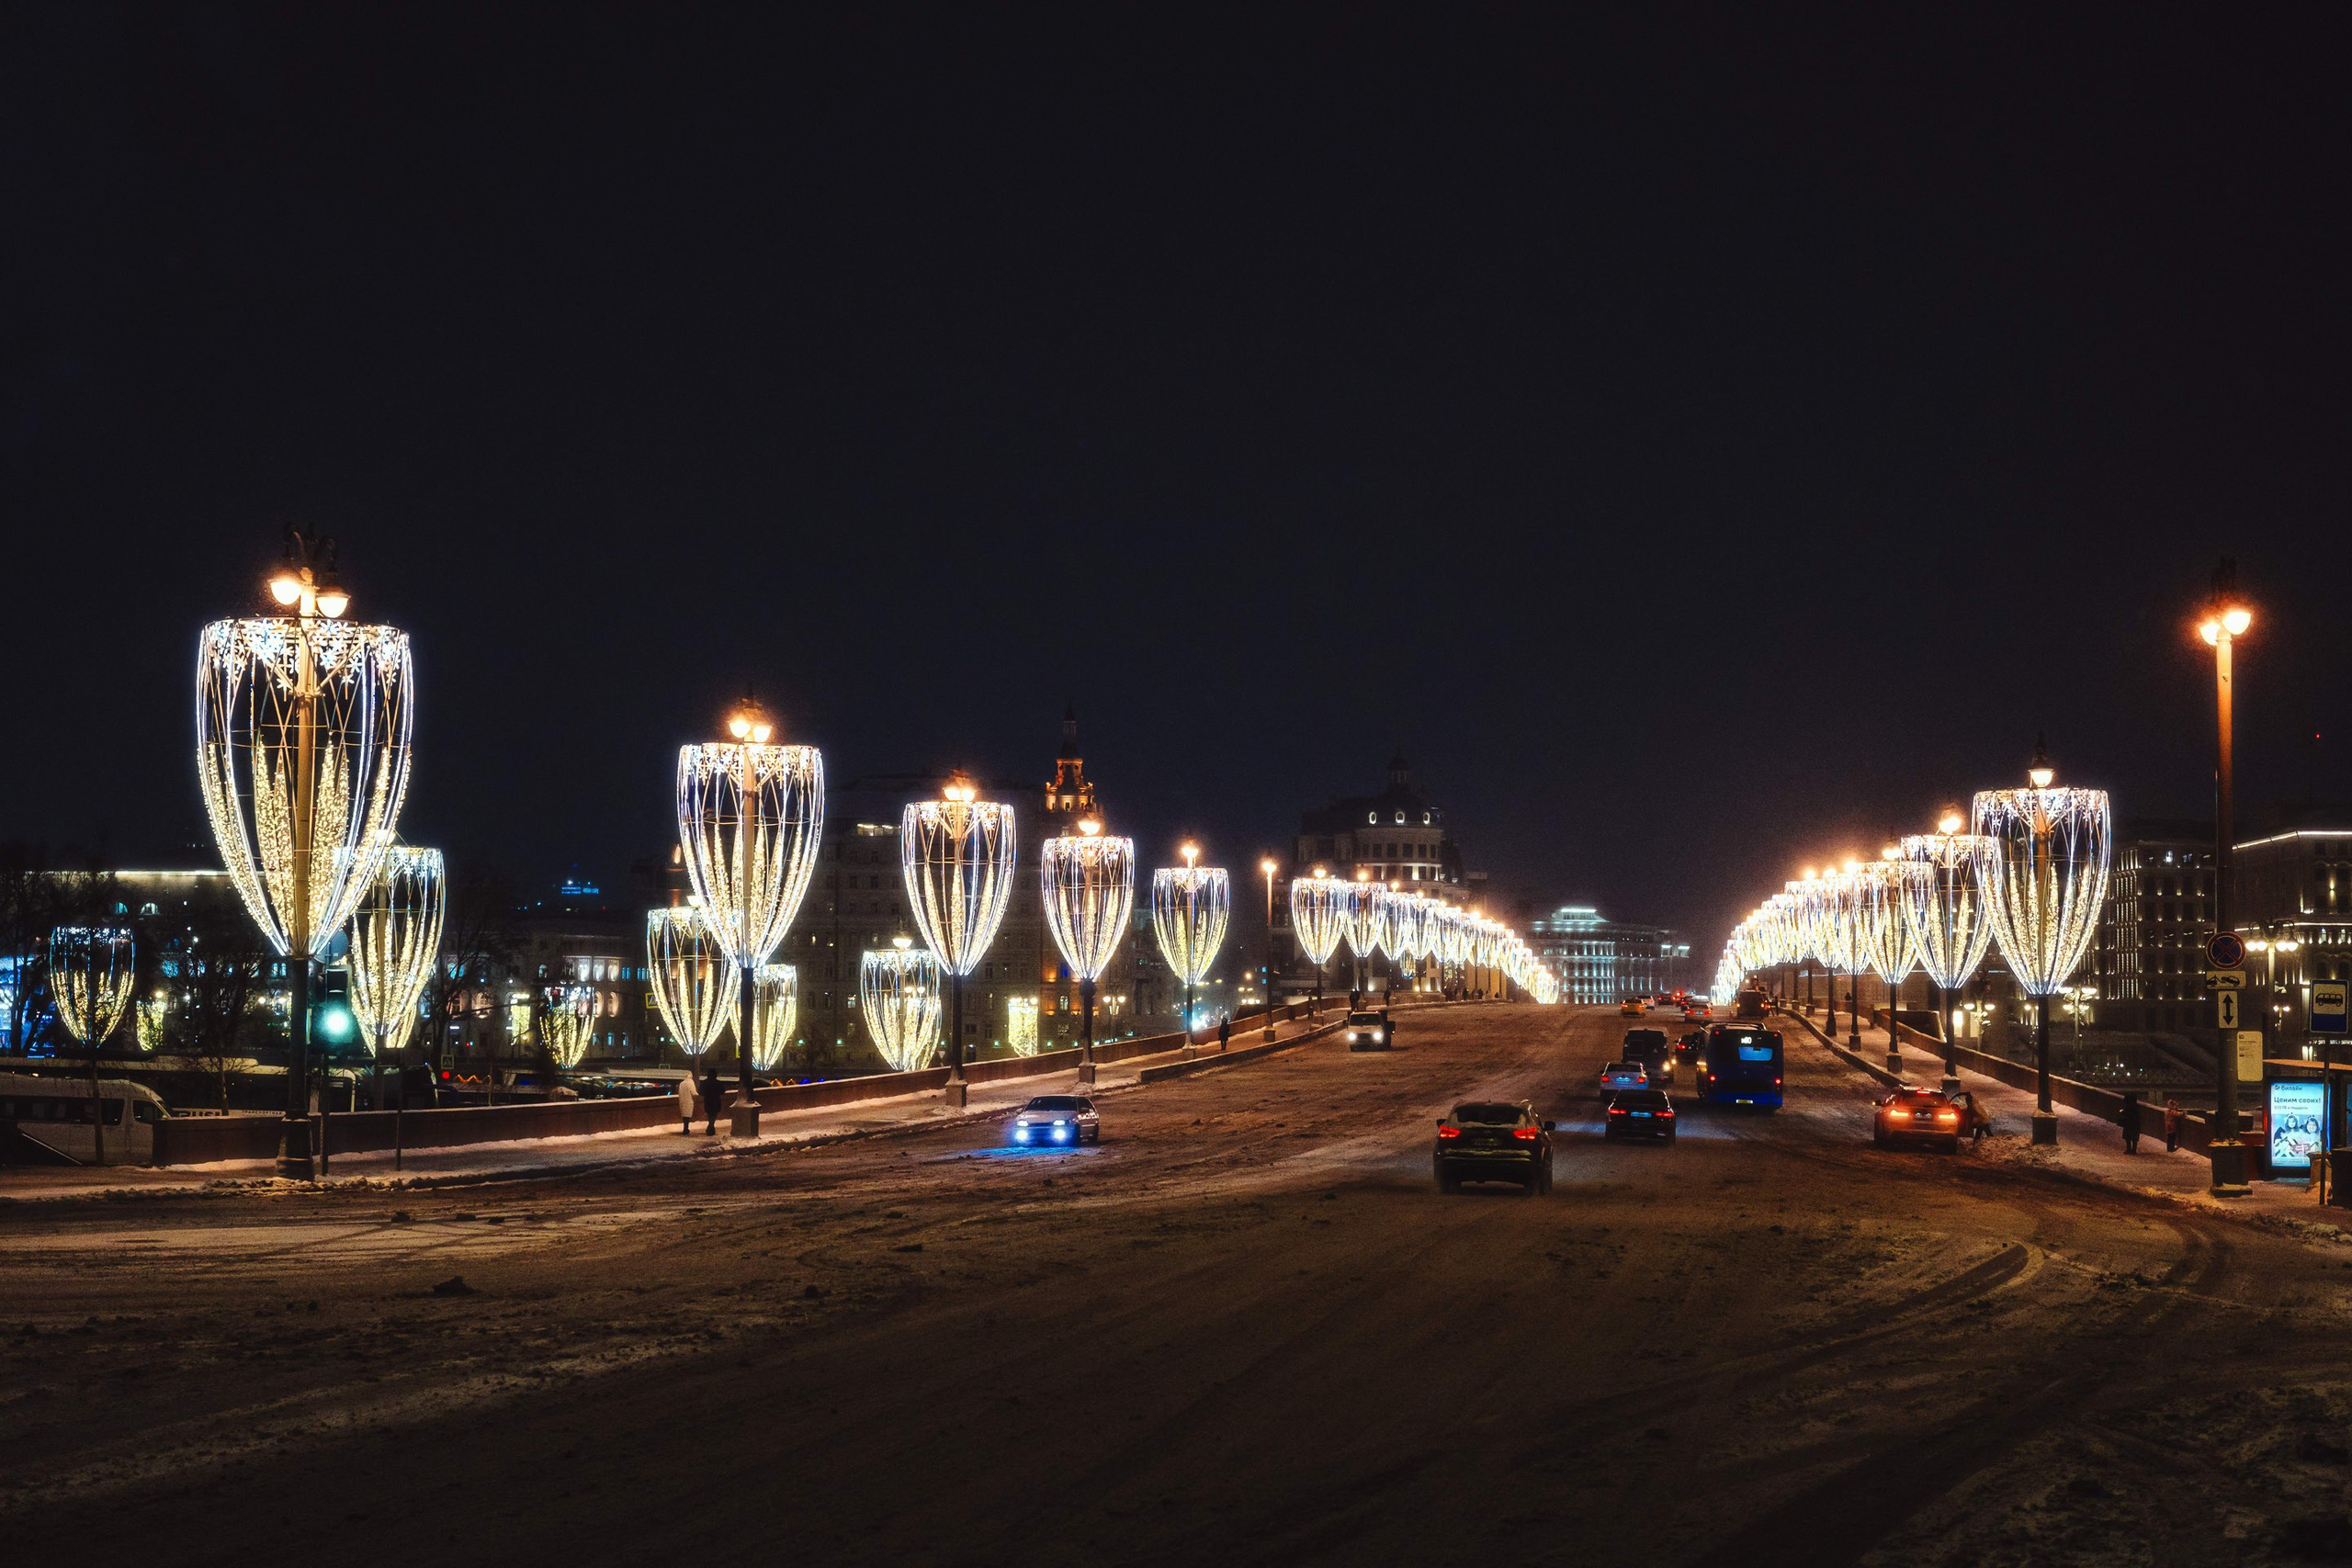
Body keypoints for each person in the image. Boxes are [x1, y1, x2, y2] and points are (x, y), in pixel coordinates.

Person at [698, 1059, 722, 1136]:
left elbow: (700, 1092)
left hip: (707, 1101)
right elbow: (722, 1091)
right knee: (714, 1115)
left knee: (710, 1115)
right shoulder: (718, 1083)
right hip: (716, 1101)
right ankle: (710, 1128)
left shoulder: (704, 1082)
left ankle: (711, 1128)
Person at [676, 1066, 697, 1136]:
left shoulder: (682, 1083)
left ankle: (685, 1128)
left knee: (684, 1115)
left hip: (682, 1101)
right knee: (688, 1115)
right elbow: (694, 1093)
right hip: (689, 1101)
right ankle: (686, 1128)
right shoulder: (691, 1083)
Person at [2120, 1090, 2142, 1155]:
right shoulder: (2136, 1107)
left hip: (2128, 1123)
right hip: (2135, 1124)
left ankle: (2129, 1149)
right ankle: (2134, 1150)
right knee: (2134, 1138)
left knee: (2128, 1137)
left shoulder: (2127, 1106)